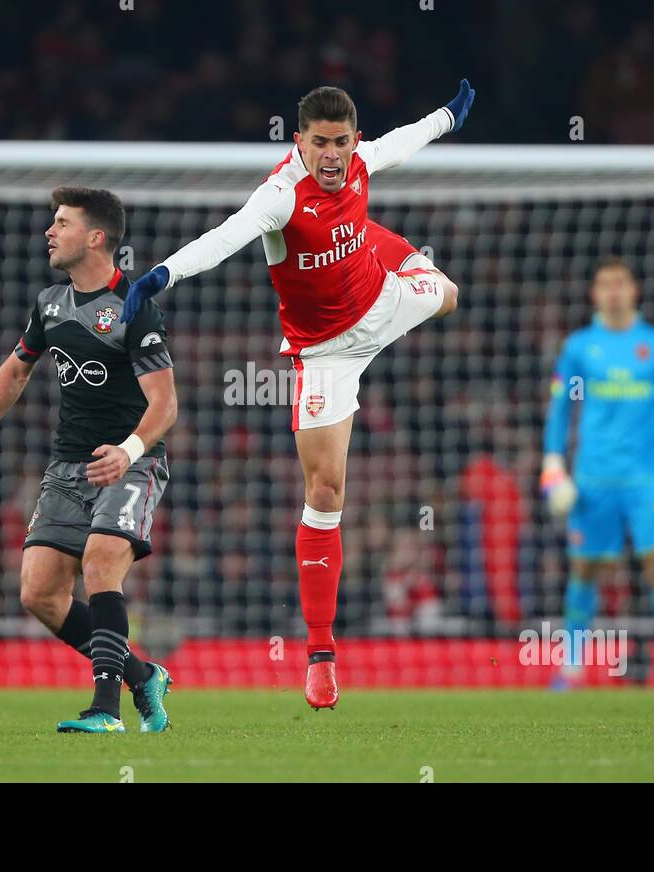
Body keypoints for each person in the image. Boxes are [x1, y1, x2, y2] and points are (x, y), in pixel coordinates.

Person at [118, 81, 475, 709]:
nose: (333, 156)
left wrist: (444, 116)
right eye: (321, 144)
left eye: (342, 142)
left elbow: (400, 142)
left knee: (449, 294)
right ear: (299, 143)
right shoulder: (280, 197)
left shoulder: (363, 159)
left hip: (384, 298)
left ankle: (390, 255)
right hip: (327, 352)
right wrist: (164, 273)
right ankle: (320, 655)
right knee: (326, 490)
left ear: (352, 140)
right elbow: (225, 237)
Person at [0, 187, 178, 734]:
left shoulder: (135, 305)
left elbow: (165, 404)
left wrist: (128, 452)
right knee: (40, 593)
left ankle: (105, 710)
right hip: (68, 466)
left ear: (95, 237)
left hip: (131, 463)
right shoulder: (50, 302)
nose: (49, 232)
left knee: (100, 563)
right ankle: (143, 675)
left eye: (62, 223)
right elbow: (16, 369)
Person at [539, 258, 654, 690]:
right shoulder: (579, 347)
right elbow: (560, 407)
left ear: (634, 290)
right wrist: (552, 463)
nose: (613, 292)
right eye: (605, 284)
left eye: (620, 283)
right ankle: (571, 666)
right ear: (594, 294)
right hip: (593, 478)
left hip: (648, 480)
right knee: (585, 568)